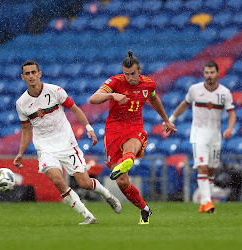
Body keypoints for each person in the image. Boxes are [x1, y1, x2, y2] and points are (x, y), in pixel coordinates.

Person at [13, 60, 121, 225]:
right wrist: (20, 153)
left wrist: (89, 128)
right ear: (22, 77)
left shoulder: (55, 91)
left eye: (34, 72)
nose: (31, 76)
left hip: (66, 143)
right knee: (58, 181)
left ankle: (107, 194)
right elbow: (26, 130)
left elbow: (76, 109)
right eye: (27, 74)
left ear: (39, 74)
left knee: (84, 183)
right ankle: (88, 216)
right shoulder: (21, 103)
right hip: (45, 147)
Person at [89, 51, 176, 224]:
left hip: (135, 127)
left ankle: (127, 159)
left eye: (133, 74)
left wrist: (166, 120)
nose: (129, 78)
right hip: (113, 130)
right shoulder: (115, 82)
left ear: (140, 70)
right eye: (126, 74)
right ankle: (145, 209)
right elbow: (93, 99)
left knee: (130, 148)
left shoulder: (149, 84)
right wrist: (111, 95)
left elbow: (153, 99)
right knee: (122, 181)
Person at [164, 61, 236, 213]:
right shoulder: (195, 89)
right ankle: (207, 202)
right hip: (199, 135)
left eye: (212, 73)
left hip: (215, 137)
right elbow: (184, 104)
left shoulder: (224, 93)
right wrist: (171, 120)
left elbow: (231, 113)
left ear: (217, 73)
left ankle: (205, 203)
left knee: (211, 170)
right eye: (207, 73)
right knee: (202, 167)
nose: (209, 76)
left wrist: (229, 128)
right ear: (204, 74)